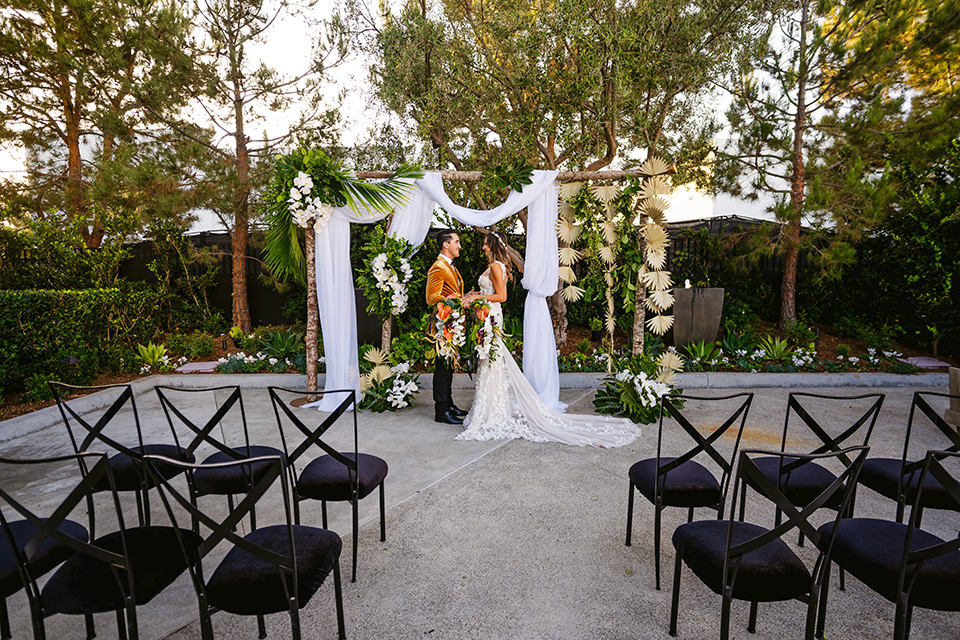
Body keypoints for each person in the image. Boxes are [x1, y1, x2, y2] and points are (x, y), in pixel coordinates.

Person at [457, 232, 641, 447]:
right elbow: (489, 291)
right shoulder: (494, 266)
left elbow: (502, 296)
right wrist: (473, 295)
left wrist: (479, 297)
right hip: (486, 316)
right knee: (490, 360)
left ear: (492, 245)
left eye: (485, 244)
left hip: (492, 317)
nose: (483, 248)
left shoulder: (497, 266)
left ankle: (492, 411)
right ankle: (488, 407)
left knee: (493, 359)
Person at [426, 229, 469, 425]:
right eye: (457, 242)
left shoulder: (450, 266)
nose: (459, 246)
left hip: (453, 326)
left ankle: (449, 404)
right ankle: (441, 410)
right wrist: (452, 299)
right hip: (444, 326)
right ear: (446, 244)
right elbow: (431, 297)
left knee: (449, 366)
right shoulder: (438, 267)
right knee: (443, 368)